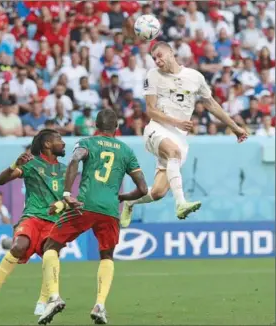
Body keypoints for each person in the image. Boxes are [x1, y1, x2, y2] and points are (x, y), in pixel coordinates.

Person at [120, 42, 249, 227]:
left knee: (157, 192)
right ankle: (181, 203)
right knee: (173, 152)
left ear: (171, 53)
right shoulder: (153, 75)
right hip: (157, 129)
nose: (157, 60)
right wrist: (177, 122)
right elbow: (150, 110)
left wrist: (235, 127)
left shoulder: (194, 77)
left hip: (179, 137)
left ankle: (130, 202)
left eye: (159, 55)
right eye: (154, 58)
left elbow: (211, 104)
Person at [38, 109, 148, 325]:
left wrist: (67, 194)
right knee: (107, 256)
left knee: (51, 246)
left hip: (84, 205)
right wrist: (121, 197)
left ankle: (54, 297)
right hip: (109, 210)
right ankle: (99, 305)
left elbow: (75, 161)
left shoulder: (87, 142)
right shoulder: (126, 150)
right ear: (116, 128)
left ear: (95, 126)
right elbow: (143, 189)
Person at [0, 129, 67, 317]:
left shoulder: (65, 169)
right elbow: (2, 181)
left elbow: (70, 199)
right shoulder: (31, 165)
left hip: (54, 221)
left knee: (50, 256)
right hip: (32, 217)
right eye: (59, 139)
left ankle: (43, 301)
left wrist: (62, 205)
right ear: (47, 144)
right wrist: (13, 165)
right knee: (18, 246)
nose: (63, 142)